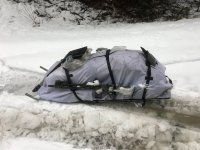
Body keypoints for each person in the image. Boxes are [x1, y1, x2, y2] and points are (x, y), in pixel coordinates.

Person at [35, 46, 173, 105]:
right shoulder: (154, 67)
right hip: (122, 60)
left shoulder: (154, 73)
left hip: (121, 62)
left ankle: (50, 83)